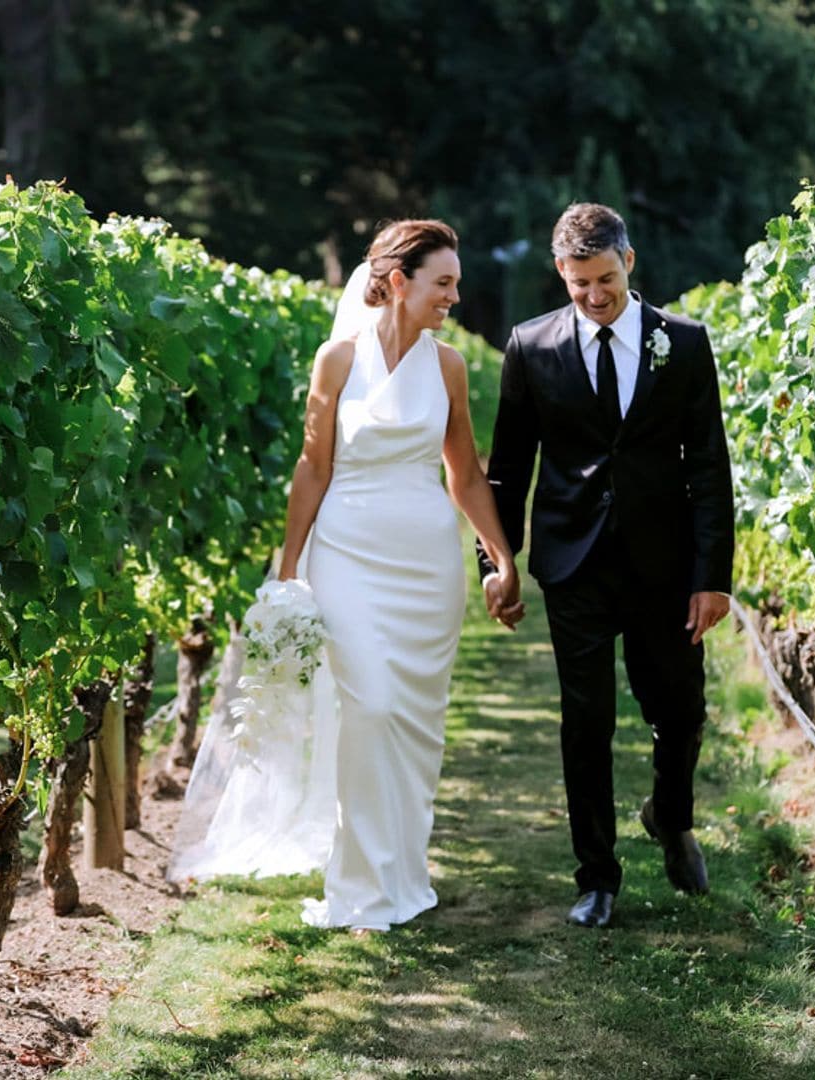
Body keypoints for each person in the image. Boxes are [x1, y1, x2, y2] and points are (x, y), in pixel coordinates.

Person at [169, 219, 521, 933]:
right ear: (398, 282)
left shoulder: (448, 366)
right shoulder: (336, 361)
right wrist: (291, 570)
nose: (454, 296)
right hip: (348, 556)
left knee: (415, 728)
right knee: (371, 709)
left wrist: (501, 557)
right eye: (443, 283)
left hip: (426, 564)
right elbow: (313, 468)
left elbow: (465, 473)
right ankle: (359, 889)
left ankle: (403, 875)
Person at [477, 203, 734, 929]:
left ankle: (672, 817)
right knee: (585, 721)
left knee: (679, 712)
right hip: (574, 562)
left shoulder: (682, 343)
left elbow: (709, 464)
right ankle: (597, 876)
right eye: (580, 282)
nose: (595, 295)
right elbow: (507, 470)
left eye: (606, 279)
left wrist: (712, 575)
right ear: (561, 271)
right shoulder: (531, 346)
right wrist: (498, 560)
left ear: (630, 261)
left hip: (665, 562)